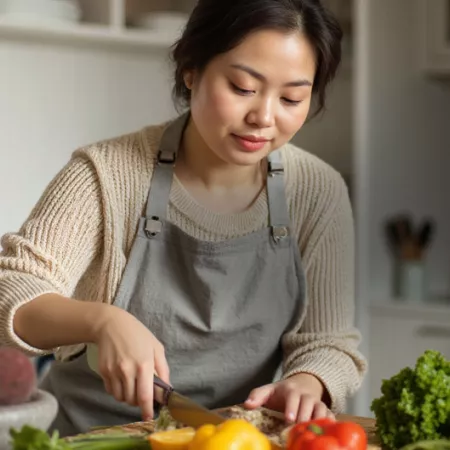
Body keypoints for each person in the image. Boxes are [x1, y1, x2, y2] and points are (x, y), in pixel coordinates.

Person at [0, 0, 367, 438]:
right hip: (87, 439)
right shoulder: (107, 173)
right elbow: (14, 284)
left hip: (228, 441)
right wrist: (102, 321)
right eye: (242, 87)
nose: (264, 118)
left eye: (292, 97)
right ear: (191, 69)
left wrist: (310, 381)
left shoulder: (317, 191)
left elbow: (328, 342)